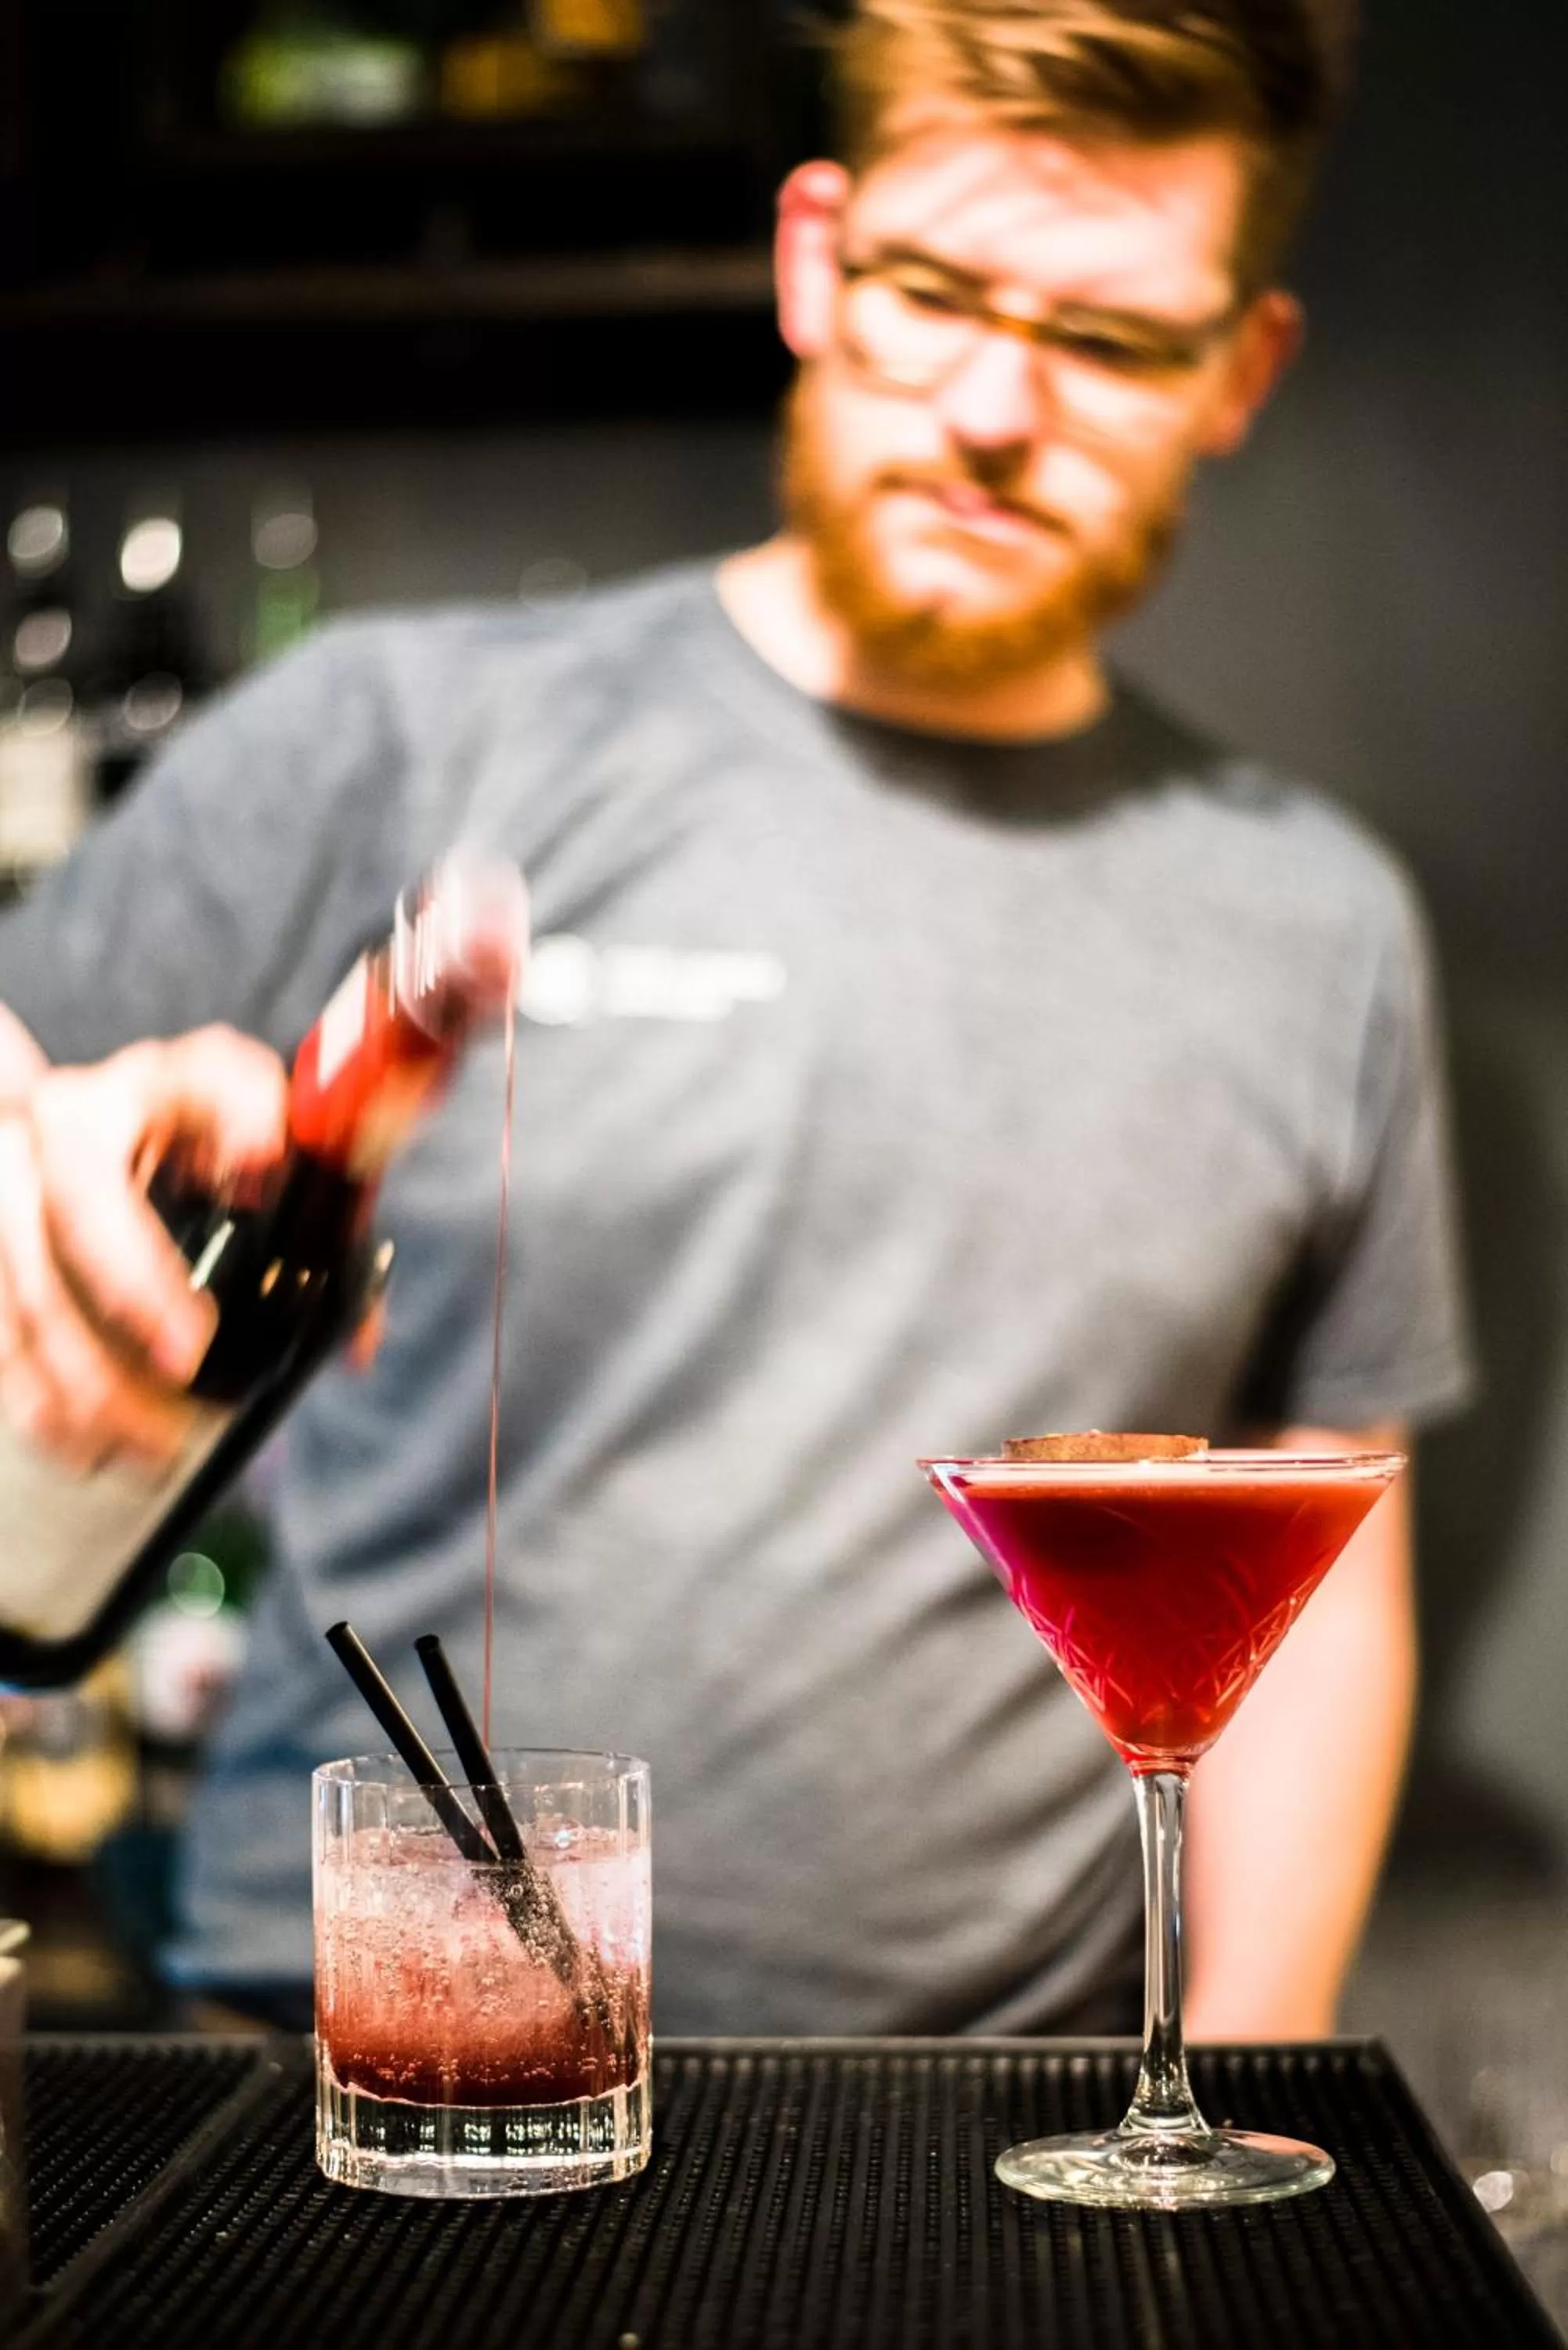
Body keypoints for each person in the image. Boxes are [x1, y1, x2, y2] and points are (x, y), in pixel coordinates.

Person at [0, 0, 1469, 2040]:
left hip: (996, 2147)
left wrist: (1251, 2089)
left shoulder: (1320, 923)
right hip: (347, 2079)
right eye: (936, 292)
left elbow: (1308, 1576)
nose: (991, 407)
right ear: (813, 257)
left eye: (1113, 340)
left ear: (1238, 371)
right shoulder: (391, 737)